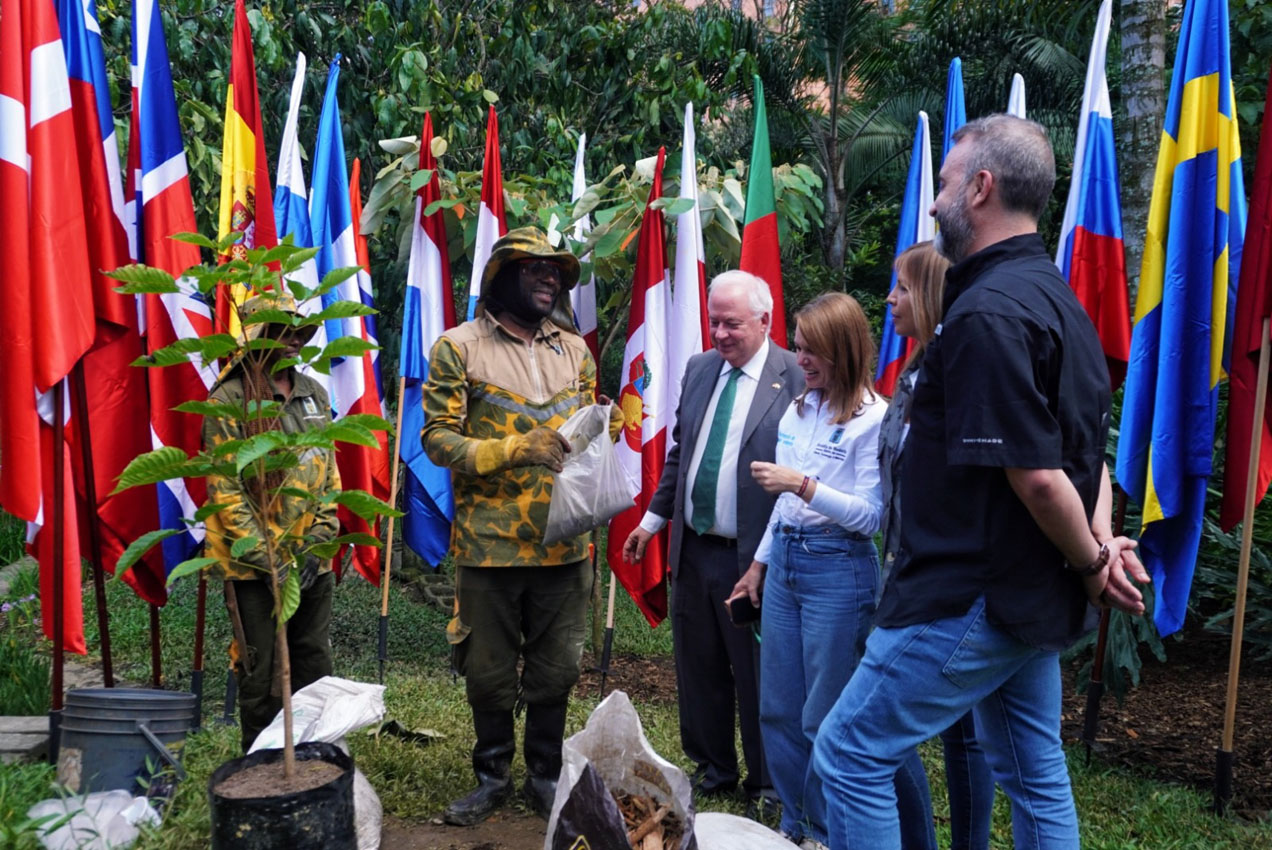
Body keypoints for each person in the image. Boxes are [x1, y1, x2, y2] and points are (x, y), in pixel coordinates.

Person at [812, 114, 1150, 850]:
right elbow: (1083, 454)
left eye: (943, 184)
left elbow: (1036, 477)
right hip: (1025, 592)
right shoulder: (1059, 300)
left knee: (849, 754)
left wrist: (1096, 566)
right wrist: (1093, 546)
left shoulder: (989, 314)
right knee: (1032, 773)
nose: (934, 203)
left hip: (972, 594)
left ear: (981, 188)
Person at [726, 293, 935, 850]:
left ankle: (839, 831)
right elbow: (783, 506)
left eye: (811, 351)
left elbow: (869, 515)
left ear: (843, 351)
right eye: (797, 348)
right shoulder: (800, 407)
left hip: (838, 572)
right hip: (788, 564)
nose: (800, 360)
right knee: (778, 711)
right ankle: (799, 829)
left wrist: (802, 484)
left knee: (826, 718)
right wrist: (759, 564)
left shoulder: (876, 419)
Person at [421, 227, 615, 826]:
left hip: (564, 543)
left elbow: (585, 434)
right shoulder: (459, 347)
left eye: (555, 270)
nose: (549, 278)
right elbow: (436, 440)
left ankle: (545, 774)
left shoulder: (575, 350)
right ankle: (491, 776)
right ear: (502, 275)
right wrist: (513, 448)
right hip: (490, 543)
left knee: (558, 668)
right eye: (533, 269)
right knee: (489, 670)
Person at [622, 270, 802, 815]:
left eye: (732, 324)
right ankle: (714, 768)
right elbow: (682, 453)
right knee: (697, 665)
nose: (720, 334)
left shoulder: (793, 377)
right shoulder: (701, 369)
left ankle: (768, 784)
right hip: (694, 548)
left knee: (756, 676)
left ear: (765, 322)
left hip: (753, 558)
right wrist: (652, 522)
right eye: (714, 321)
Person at [880, 241, 994, 850]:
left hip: (954, 582)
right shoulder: (913, 369)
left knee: (967, 734)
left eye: (900, 287)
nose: (890, 299)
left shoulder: (961, 370)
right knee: (896, 735)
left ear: (929, 292)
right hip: (902, 570)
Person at [204, 293, 341, 754]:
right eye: (279, 330)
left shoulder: (314, 395)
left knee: (312, 664)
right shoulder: (230, 400)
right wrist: (270, 561)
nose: (291, 341)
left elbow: (328, 477)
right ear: (256, 335)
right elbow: (225, 490)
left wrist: (319, 542)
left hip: (310, 565)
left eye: (298, 332)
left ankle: (311, 760)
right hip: (251, 570)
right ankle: (262, 763)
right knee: (261, 674)